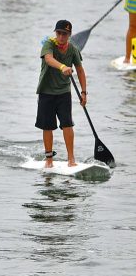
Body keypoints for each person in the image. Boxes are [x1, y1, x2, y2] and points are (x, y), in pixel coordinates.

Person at [35, 20, 87, 168]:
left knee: (67, 124)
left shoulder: (73, 49)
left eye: (64, 34)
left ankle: (71, 160)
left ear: (69, 35)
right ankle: (49, 160)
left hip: (64, 92)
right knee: (47, 126)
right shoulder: (49, 45)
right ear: (55, 33)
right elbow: (49, 59)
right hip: (46, 91)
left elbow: (81, 70)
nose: (61, 36)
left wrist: (83, 92)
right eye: (59, 33)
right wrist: (63, 66)